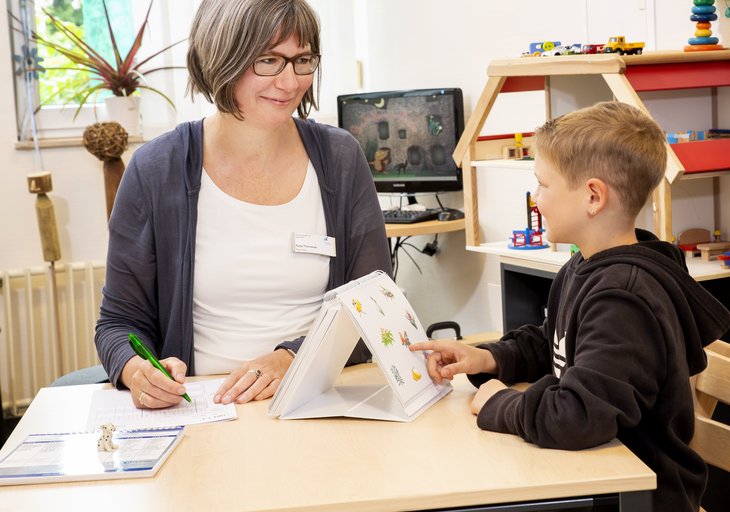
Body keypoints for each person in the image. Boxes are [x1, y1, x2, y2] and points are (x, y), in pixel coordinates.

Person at [410, 101, 730, 512]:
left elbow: (578, 416)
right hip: (598, 480)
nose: (536, 199)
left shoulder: (624, 299)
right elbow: (555, 343)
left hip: (639, 498)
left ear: (593, 196)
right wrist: (487, 358)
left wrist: (500, 404)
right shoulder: (585, 265)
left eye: (543, 184)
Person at [95, 0, 391, 411]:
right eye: (268, 60)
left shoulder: (339, 158)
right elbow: (118, 324)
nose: (289, 82)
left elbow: (374, 309)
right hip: (206, 410)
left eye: (302, 60)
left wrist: (290, 357)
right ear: (222, 58)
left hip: (316, 402)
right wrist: (136, 370)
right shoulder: (156, 169)